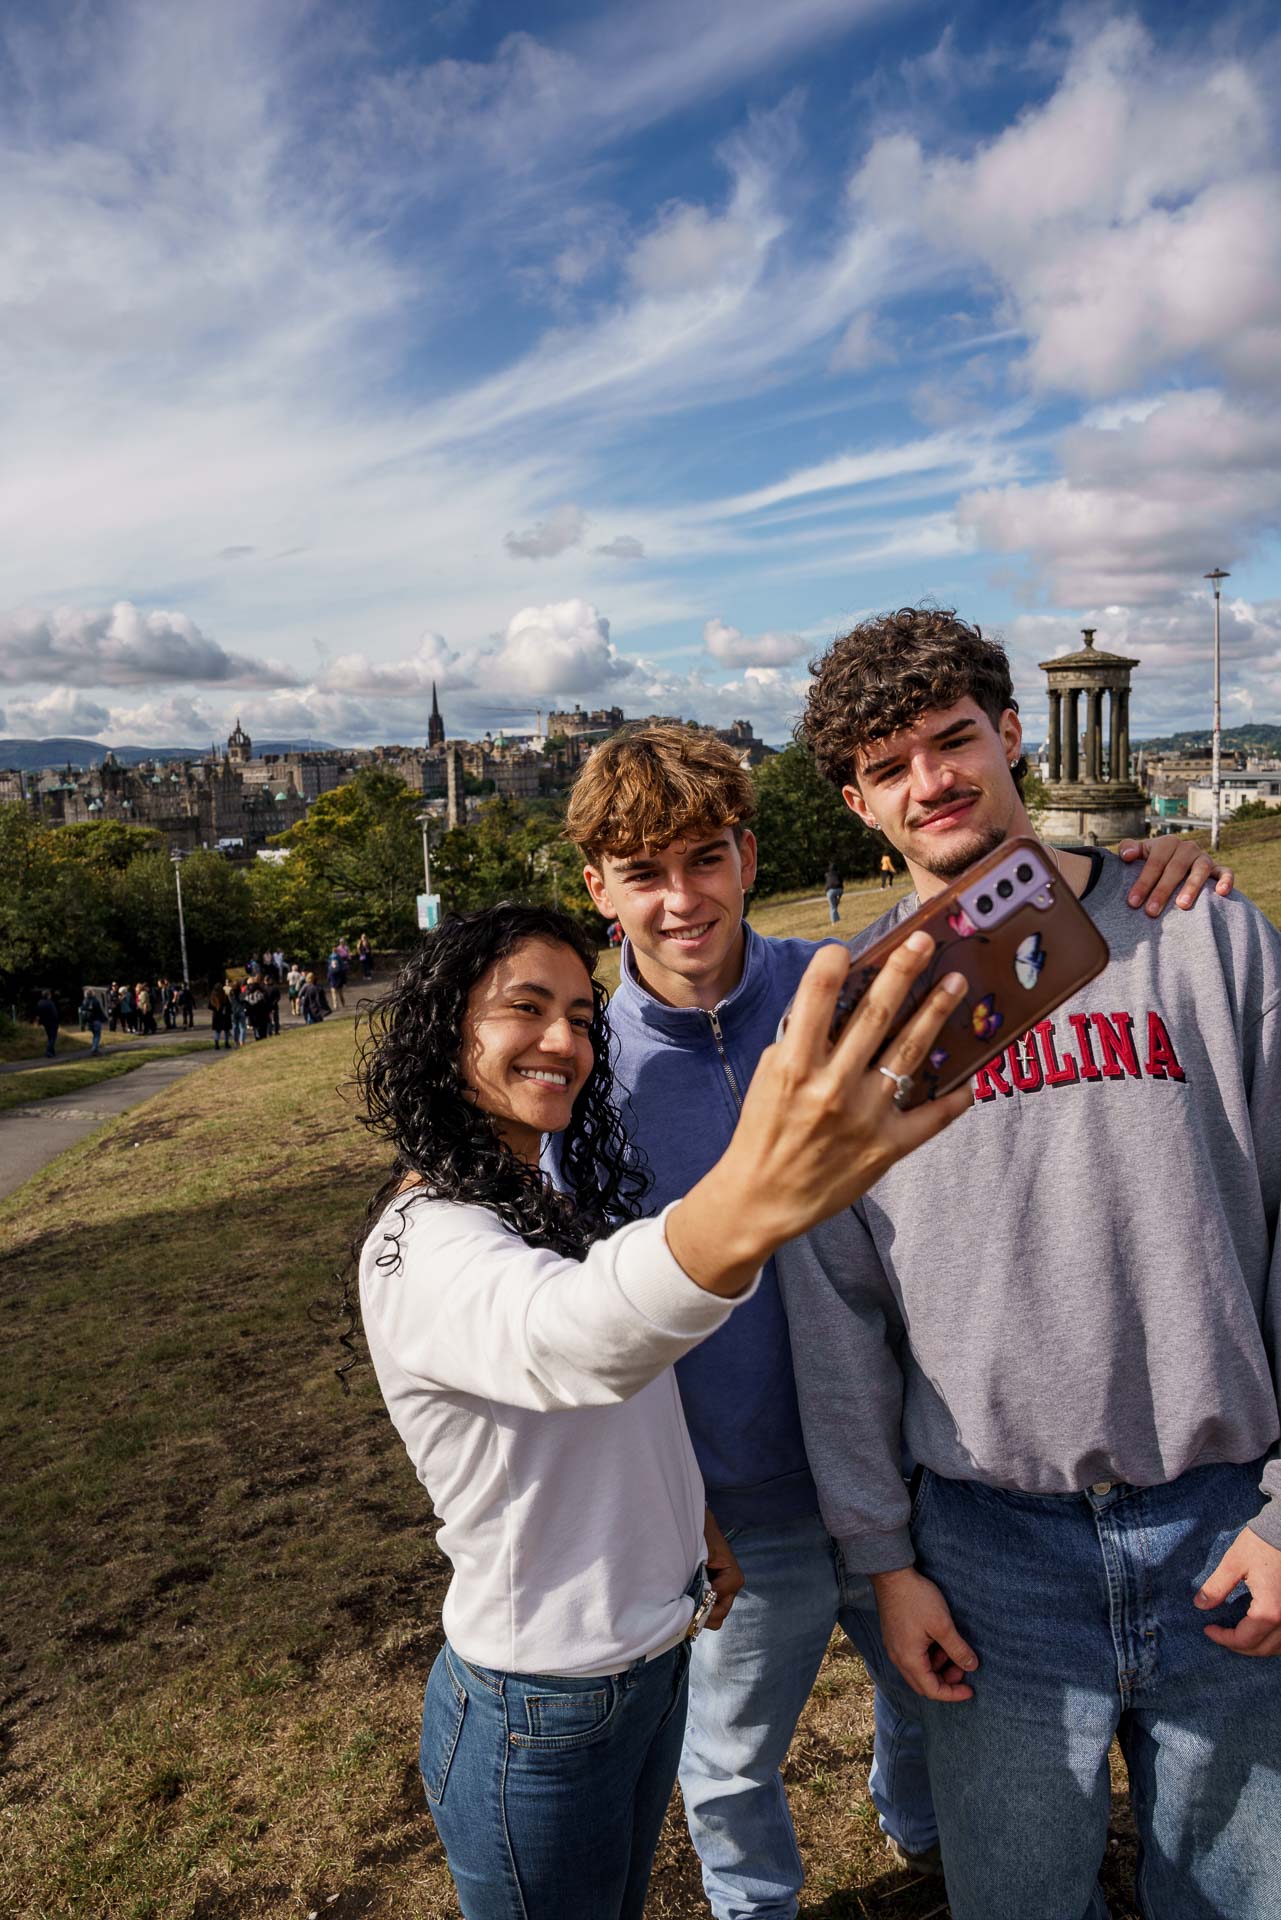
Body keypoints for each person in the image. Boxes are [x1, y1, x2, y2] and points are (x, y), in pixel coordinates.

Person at [561, 722, 1233, 1916]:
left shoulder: (865, 980)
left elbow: (1048, 933)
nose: (682, 900)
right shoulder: (587, 1084)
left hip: (901, 1477)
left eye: (705, 859)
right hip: (738, 1505)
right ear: (597, 891)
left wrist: (1154, 862)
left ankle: (928, 1846)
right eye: (644, 874)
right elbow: (589, 1322)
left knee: (937, 1708)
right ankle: (756, 1905)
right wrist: (676, 1498)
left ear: (750, 854)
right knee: (729, 1762)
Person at [777, 605, 1280, 1920]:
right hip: (989, 1555)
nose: (930, 783)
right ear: (855, 801)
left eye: (951, 743)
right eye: (888, 768)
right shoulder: (851, 1018)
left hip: (1224, 1524)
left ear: (1011, 736)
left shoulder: (1205, 937)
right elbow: (833, 1314)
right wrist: (884, 1564)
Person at [355, 902, 973, 1920]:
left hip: (642, 1665)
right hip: (537, 1706)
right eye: (524, 1009)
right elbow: (583, 1339)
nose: (565, 1040)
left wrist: (692, 1520)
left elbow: (620, 1405)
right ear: (443, 1029)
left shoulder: (531, 1199)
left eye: (581, 1016)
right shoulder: (427, 1239)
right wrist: (759, 1193)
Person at [79, 988, 105, 1055]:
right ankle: (94, 1049)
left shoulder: (84, 1001)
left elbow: (81, 1011)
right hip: (96, 1020)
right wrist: (104, 1018)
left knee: (94, 1035)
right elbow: (99, 1011)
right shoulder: (95, 1001)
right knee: (97, 1035)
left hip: (89, 1021)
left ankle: (94, 1048)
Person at [35, 989, 59, 1057]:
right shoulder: (50, 1003)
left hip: (45, 1023)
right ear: (48, 995)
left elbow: (38, 1013)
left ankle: (52, 1052)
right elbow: (54, 1013)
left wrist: (39, 1022)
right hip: (52, 1022)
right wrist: (56, 1021)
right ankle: (48, 1051)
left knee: (49, 1037)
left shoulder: (40, 1003)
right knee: (53, 1038)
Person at [208, 983, 232, 1050]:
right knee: (226, 1030)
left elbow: (210, 1006)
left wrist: (216, 1008)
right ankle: (226, 1043)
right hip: (224, 1015)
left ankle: (216, 1044)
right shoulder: (224, 995)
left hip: (216, 1015)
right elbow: (228, 1005)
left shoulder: (213, 996)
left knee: (217, 1031)